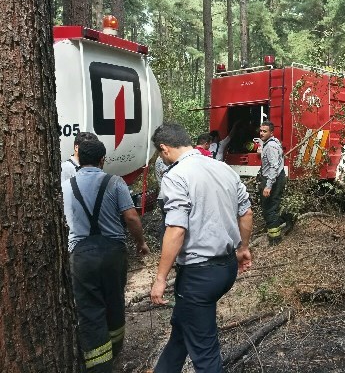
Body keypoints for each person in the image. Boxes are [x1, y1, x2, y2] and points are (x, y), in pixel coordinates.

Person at [149, 123, 253, 373]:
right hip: (226, 268)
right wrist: (243, 248)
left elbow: (176, 229)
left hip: (199, 275)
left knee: (205, 353)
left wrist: (160, 278)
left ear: (164, 149)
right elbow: (246, 212)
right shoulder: (223, 168)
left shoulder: (175, 176)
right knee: (184, 327)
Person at [62, 138, 150, 372]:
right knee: (114, 301)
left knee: (89, 310)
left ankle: (99, 366)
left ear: (78, 157)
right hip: (113, 253)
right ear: (103, 160)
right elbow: (131, 217)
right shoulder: (115, 183)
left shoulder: (66, 185)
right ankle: (116, 350)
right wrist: (141, 243)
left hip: (81, 256)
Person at [257, 120, 291, 245]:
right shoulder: (273, 142)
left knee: (269, 209)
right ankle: (289, 218)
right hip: (278, 177)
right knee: (275, 204)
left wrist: (268, 186)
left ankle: (275, 239)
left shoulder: (270, 146)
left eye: (264, 131)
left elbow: (273, 167)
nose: (261, 133)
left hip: (272, 178)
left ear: (271, 133)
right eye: (260, 131)